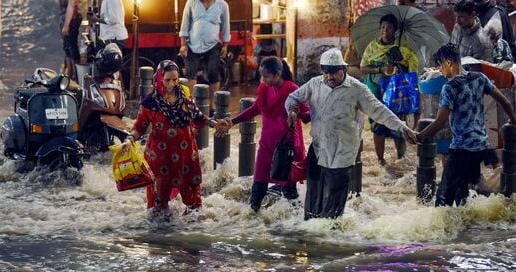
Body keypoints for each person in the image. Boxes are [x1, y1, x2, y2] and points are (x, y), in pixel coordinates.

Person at [285, 48, 418, 220]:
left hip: (343, 151)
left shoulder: (357, 89)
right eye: (325, 73)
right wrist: (292, 111)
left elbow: (379, 111)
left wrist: (402, 127)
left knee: (333, 202)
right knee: (313, 196)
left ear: (344, 69)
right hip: (319, 148)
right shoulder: (314, 84)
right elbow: (292, 98)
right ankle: (311, 235)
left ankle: (329, 236)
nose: (329, 77)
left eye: (333, 73)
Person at [124, 60, 226, 219]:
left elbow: (198, 116)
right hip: (161, 158)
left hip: (186, 155)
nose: (172, 84)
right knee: (160, 205)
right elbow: (139, 126)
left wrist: (215, 123)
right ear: (159, 78)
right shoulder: (150, 102)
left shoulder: (184, 94)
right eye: (167, 80)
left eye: (175, 79)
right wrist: (129, 140)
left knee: (194, 202)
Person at [416, 43, 516, 207]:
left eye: (441, 66)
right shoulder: (479, 78)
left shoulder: (449, 88)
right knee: (463, 194)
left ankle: (446, 231)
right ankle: (466, 230)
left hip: (462, 149)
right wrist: (513, 120)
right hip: (481, 147)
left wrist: (420, 136)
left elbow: (440, 121)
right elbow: (505, 101)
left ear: (448, 63)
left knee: (442, 200)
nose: (440, 70)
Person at [217, 57, 309, 212]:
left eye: (266, 76)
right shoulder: (265, 89)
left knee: (288, 188)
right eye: (261, 76)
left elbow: (307, 114)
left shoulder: (292, 89)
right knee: (259, 179)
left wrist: (296, 113)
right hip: (266, 143)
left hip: (286, 147)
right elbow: (255, 109)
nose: (262, 79)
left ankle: (294, 222)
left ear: (278, 74)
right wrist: (233, 121)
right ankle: (252, 214)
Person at [360, 13, 420, 165]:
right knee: (377, 125)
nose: (385, 30)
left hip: (396, 93)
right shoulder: (372, 47)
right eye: (383, 27)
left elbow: (412, 69)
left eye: (389, 27)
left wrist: (401, 62)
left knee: (399, 124)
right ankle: (380, 160)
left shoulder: (403, 47)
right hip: (376, 91)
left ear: (395, 30)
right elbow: (363, 68)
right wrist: (380, 70)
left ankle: (401, 159)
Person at [179, 0, 230, 116]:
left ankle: (213, 107)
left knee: (213, 72)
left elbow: (226, 25)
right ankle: (192, 105)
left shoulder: (222, 5)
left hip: (213, 44)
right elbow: (185, 23)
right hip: (193, 44)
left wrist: (226, 44)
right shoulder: (192, 2)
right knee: (190, 73)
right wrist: (183, 44)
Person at [60, 0, 81, 80]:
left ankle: (75, 75)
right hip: (66, 18)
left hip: (71, 20)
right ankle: (70, 73)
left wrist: (66, 25)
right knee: (67, 46)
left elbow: (72, 5)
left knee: (71, 46)